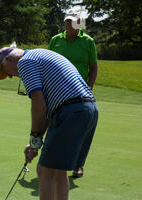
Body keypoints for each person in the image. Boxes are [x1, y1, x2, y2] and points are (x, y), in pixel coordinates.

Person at [0, 45, 98, 200]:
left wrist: (34, 139)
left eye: (6, 73)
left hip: (71, 112)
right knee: (58, 170)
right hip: (87, 110)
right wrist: (37, 140)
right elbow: (52, 107)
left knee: (44, 170)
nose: (10, 77)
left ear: (8, 61)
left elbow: (39, 105)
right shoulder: (41, 55)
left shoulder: (24, 63)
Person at [48, 8, 98, 178]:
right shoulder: (55, 40)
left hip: (79, 92)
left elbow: (93, 67)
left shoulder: (88, 41)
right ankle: (52, 162)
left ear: (79, 23)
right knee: (54, 124)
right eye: (66, 21)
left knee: (82, 129)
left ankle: (78, 164)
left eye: (72, 21)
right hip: (57, 90)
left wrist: (89, 88)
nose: (68, 24)